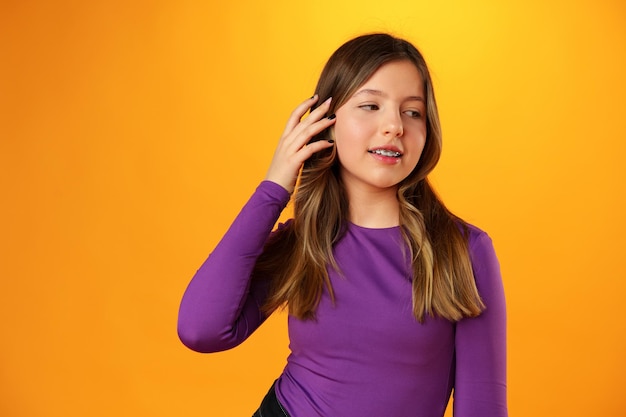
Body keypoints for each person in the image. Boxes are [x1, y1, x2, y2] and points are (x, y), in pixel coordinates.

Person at [177, 33, 508, 417]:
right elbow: (201, 330)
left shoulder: (464, 250)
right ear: (326, 124)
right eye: (370, 105)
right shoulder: (303, 242)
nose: (394, 126)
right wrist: (274, 187)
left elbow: (482, 406)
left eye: (412, 112)